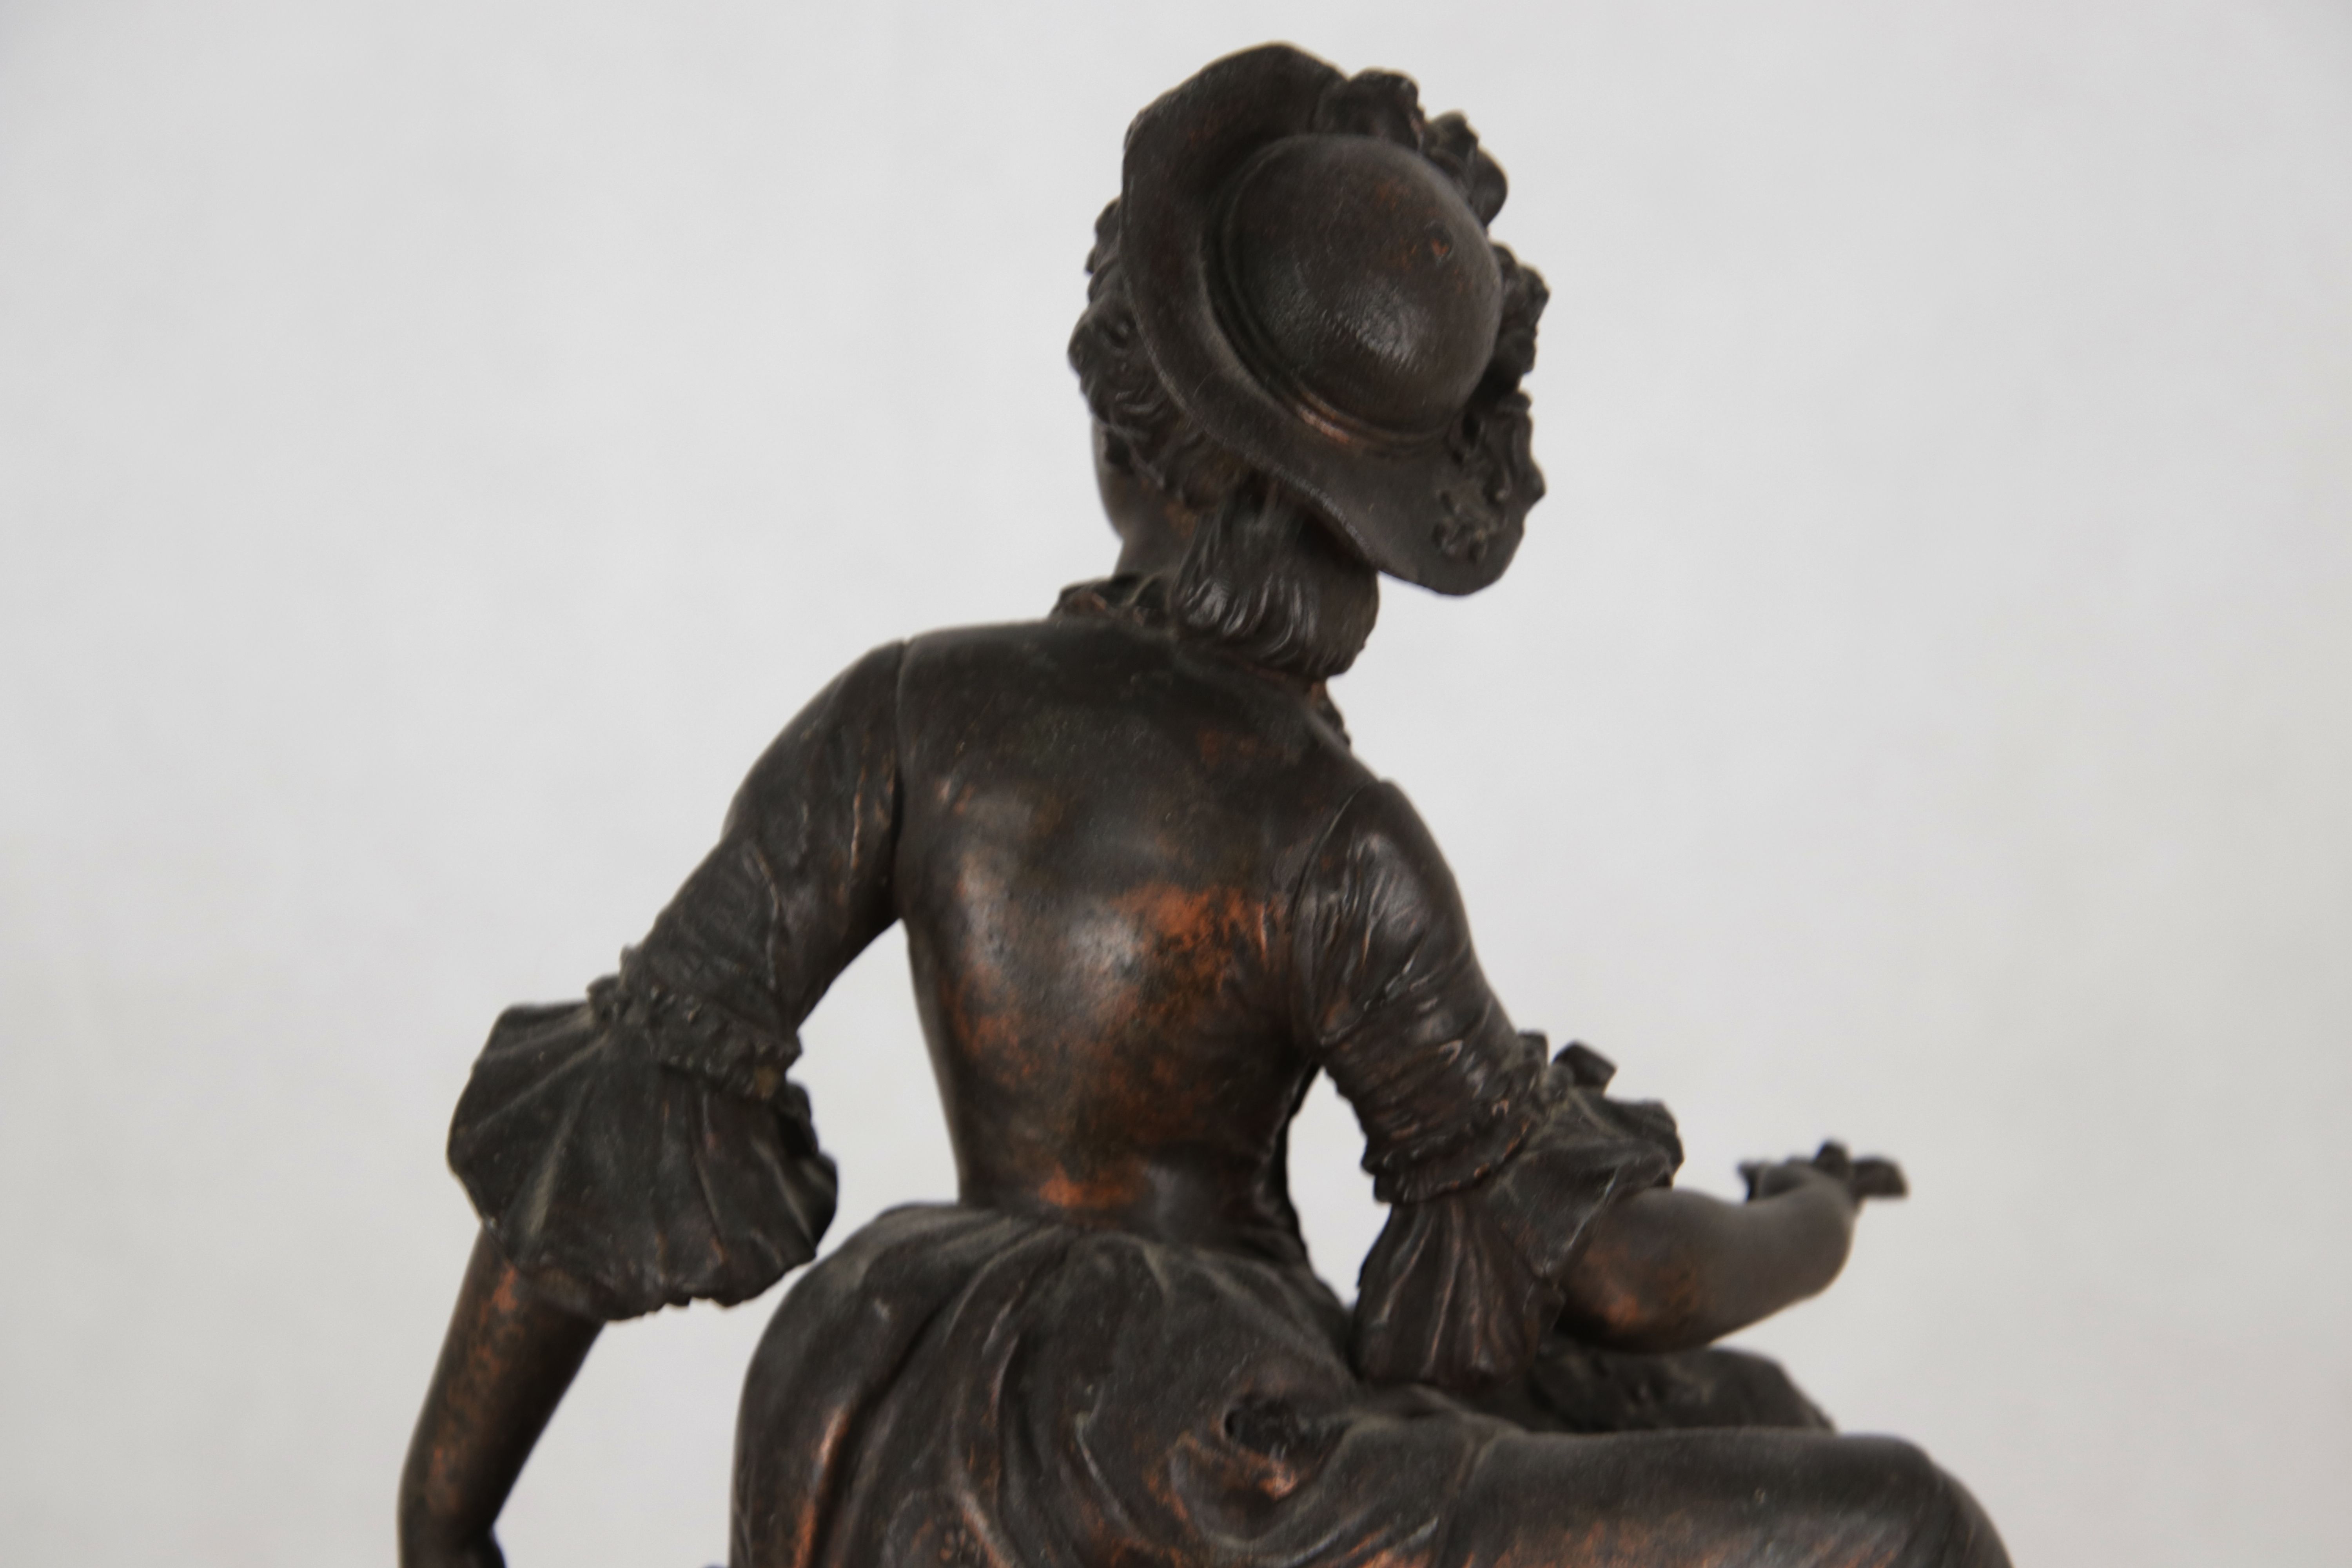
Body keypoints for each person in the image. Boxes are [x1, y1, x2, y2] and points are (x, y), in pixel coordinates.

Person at [399, 45, 2008, 1568]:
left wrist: (446, 1517)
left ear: (1123, 426)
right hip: (1214, 1451)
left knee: (1733, 1411)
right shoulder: (1338, 843)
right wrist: (1813, 1216)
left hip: (888, 1391)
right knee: (1898, 1518)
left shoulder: (915, 712)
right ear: (1377, 527)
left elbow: (623, 1115)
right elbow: (1622, 1274)